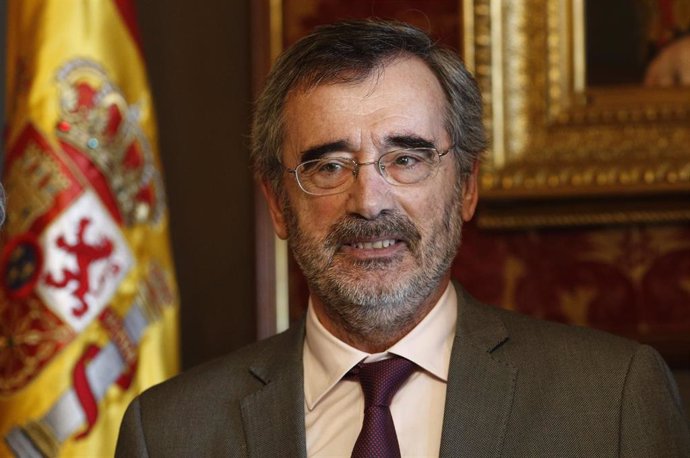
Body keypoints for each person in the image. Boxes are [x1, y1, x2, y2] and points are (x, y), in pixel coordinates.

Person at [116, 19, 690, 457]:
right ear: (278, 206)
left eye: (407, 158)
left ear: (466, 187)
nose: (369, 201)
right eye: (328, 166)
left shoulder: (609, 400)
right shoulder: (169, 433)